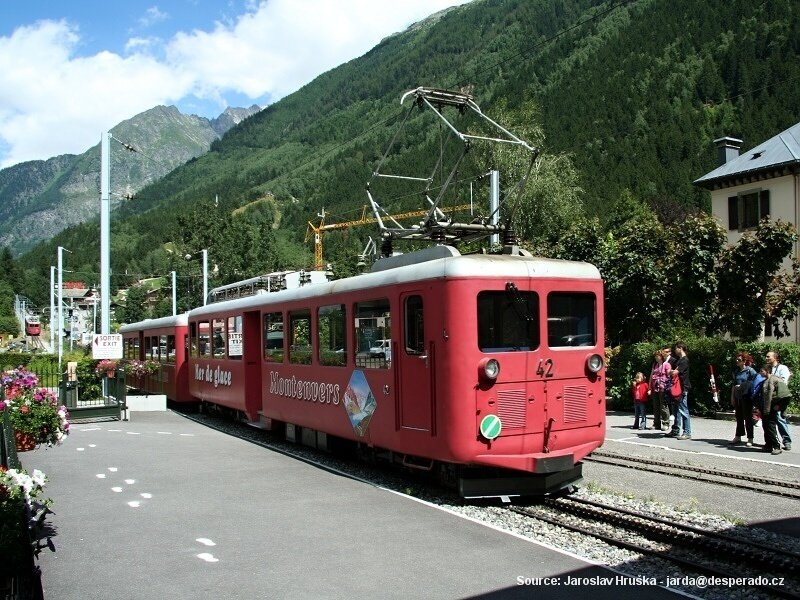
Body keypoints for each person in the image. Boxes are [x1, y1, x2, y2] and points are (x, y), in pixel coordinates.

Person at [766, 350, 793, 451]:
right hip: (770, 398)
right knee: (770, 421)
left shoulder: (782, 368)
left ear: (775, 357)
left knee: (780, 418)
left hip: (779, 398)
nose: (767, 358)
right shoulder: (768, 368)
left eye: (768, 357)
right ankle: (772, 442)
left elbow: (783, 382)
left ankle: (787, 441)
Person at [762, 369, 792, 455]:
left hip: (773, 407)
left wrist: (779, 405)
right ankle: (769, 445)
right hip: (767, 408)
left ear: (767, 371)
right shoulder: (766, 381)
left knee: (771, 427)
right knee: (766, 426)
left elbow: (786, 395)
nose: (760, 373)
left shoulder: (776, 379)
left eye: (762, 371)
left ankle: (777, 446)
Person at [730, 352, 757, 447]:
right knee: (739, 417)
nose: (737, 361)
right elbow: (733, 385)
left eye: (739, 360)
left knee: (748, 417)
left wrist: (741, 386)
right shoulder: (736, 371)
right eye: (737, 359)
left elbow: (754, 383)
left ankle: (750, 438)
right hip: (738, 397)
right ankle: (738, 436)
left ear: (744, 361)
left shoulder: (750, 371)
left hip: (747, 397)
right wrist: (732, 397)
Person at [670, 342, 692, 440]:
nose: (675, 350)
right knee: (677, 410)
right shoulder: (679, 360)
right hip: (677, 388)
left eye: (676, 348)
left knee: (683, 410)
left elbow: (675, 372)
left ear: (681, 348)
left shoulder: (684, 360)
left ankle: (687, 432)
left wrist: (671, 371)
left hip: (683, 388)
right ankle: (676, 430)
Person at [649, 350, 671, 431]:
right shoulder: (655, 365)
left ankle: (666, 423)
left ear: (661, 356)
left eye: (657, 356)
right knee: (656, 406)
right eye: (655, 356)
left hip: (663, 387)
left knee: (663, 406)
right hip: (655, 387)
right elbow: (651, 376)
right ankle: (656, 423)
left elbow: (669, 376)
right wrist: (649, 387)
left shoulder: (667, 364)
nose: (656, 357)